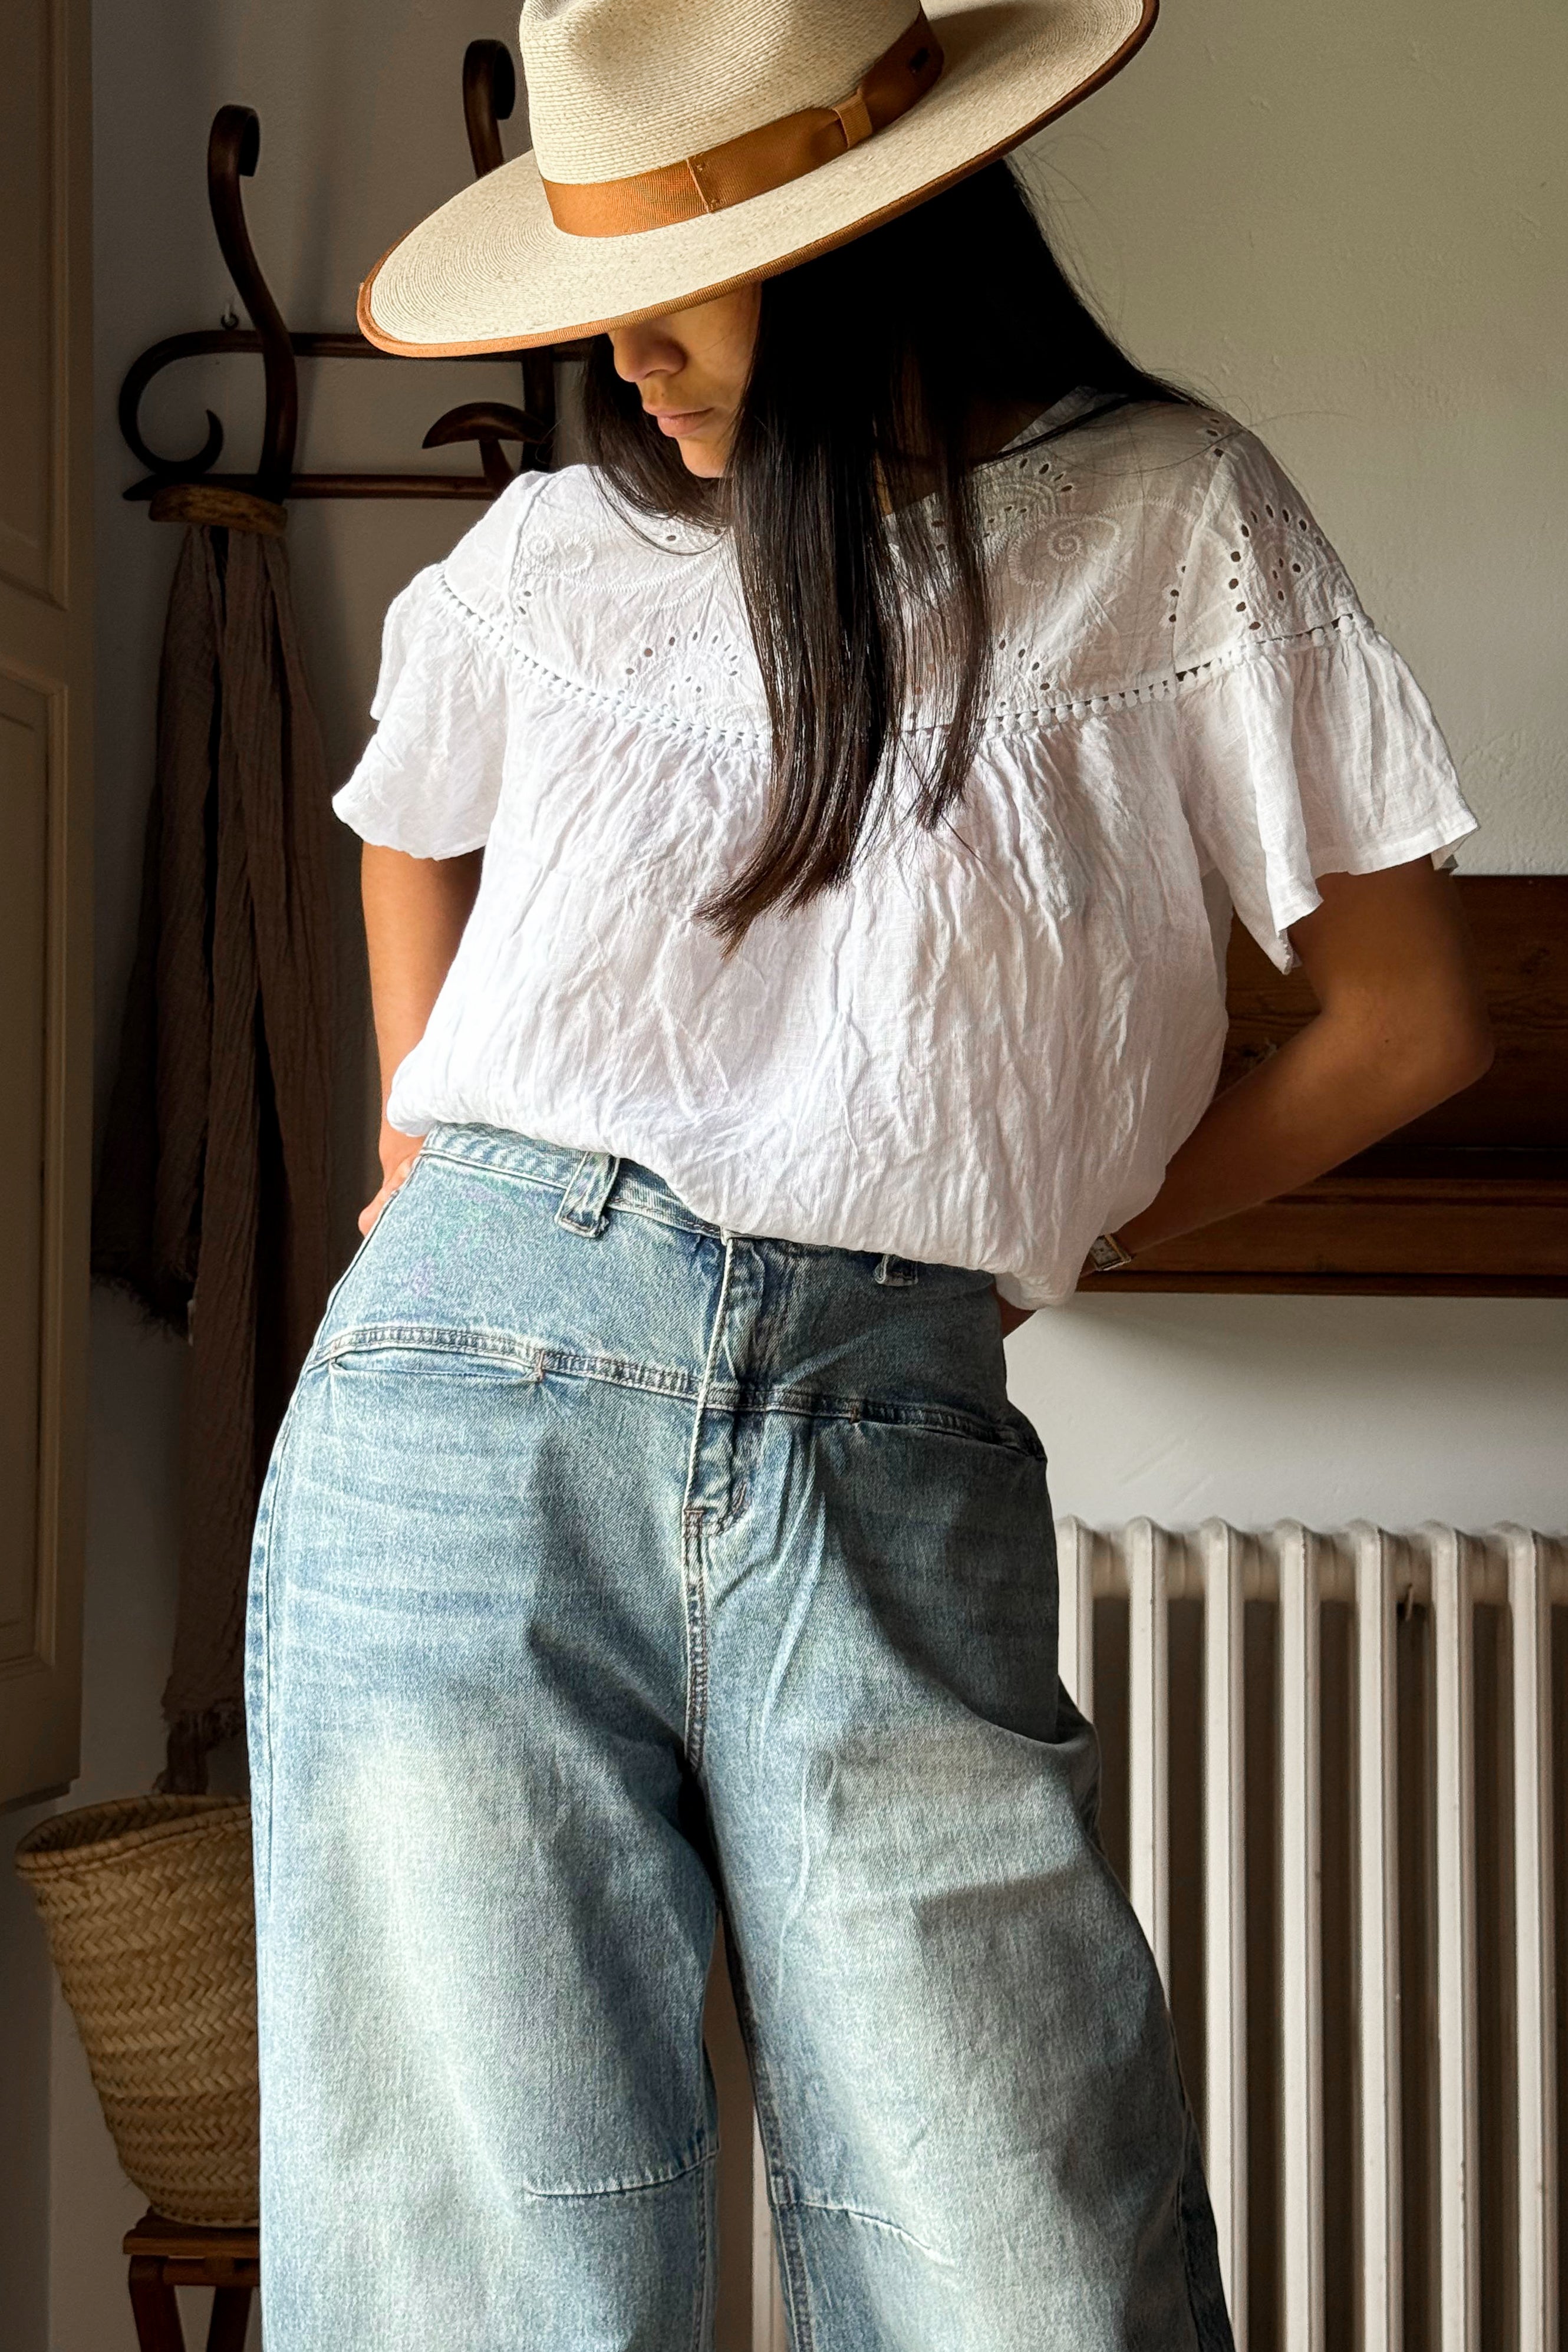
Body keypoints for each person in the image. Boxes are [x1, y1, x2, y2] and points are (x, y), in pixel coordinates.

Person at [248, 4, 1490, 2346]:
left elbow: (1406, 1021)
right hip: (457, 1404)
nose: (620, 355)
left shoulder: (1164, 518)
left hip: (876, 1399)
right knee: (476, 2284)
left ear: (853, 241)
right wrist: (417, 1143)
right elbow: (405, 818)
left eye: (674, 289)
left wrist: (1055, 1225)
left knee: (1025, 2257)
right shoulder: (567, 545)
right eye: (601, 294)